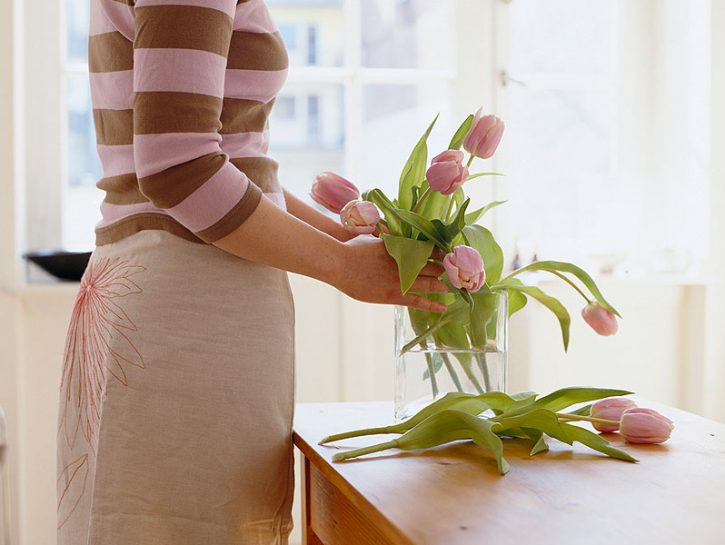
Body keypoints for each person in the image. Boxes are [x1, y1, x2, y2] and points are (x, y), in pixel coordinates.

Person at [56, 1, 446, 544]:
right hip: (187, 312)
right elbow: (179, 168)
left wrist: (344, 239)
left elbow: (228, 164)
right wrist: (341, 266)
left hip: (175, 302)